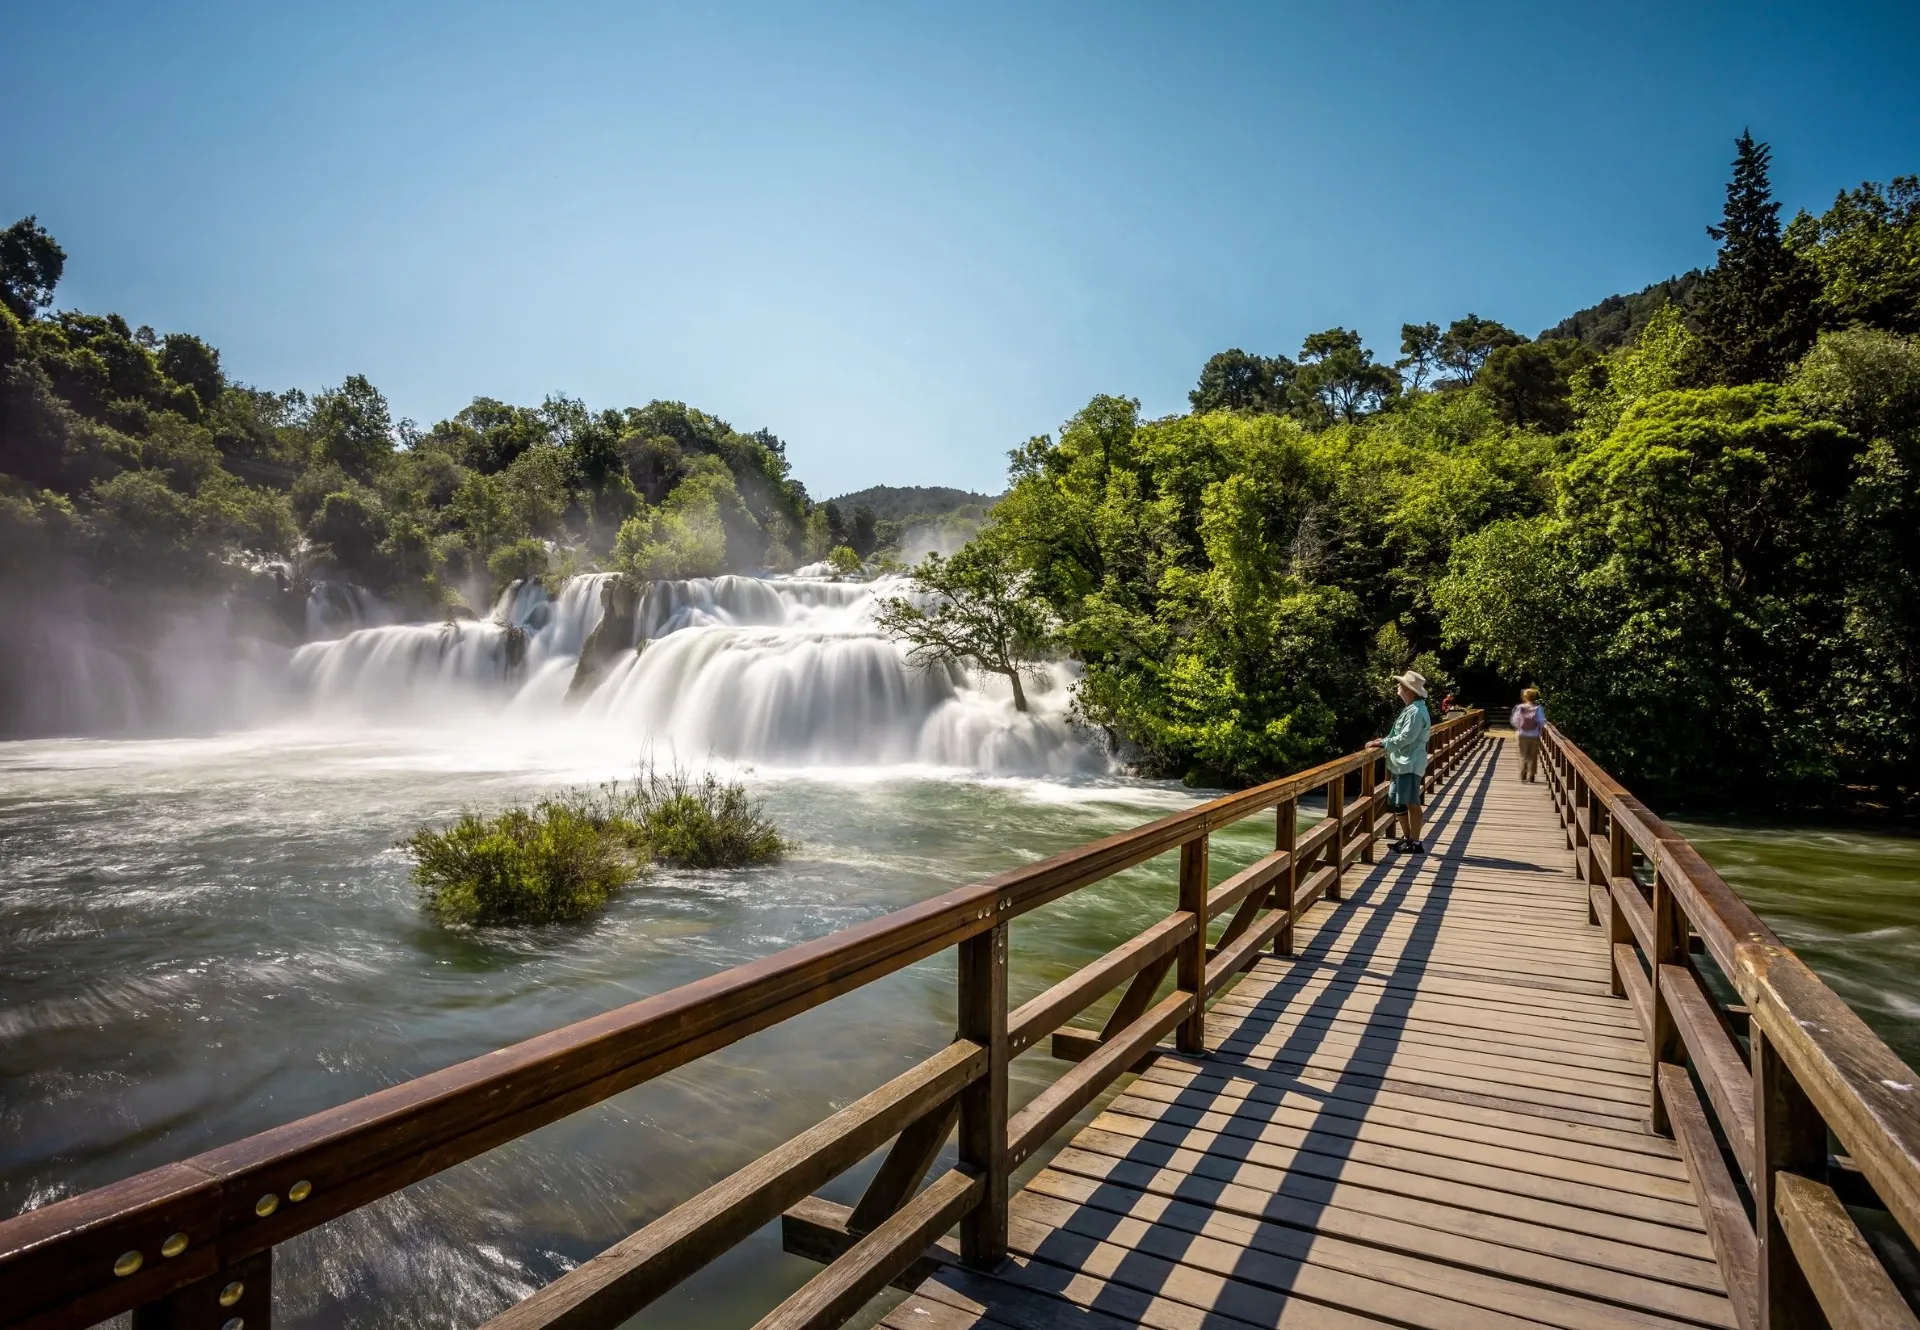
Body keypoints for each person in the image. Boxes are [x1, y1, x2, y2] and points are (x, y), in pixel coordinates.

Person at [1368, 670, 1431, 854]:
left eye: (1400, 685)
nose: (1398, 687)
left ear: (1409, 690)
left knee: (1411, 802)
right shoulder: (1412, 708)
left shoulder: (1416, 711)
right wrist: (1384, 741)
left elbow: (1406, 738)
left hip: (1409, 763)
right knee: (1396, 800)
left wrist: (1382, 743)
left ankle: (1416, 843)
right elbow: (1399, 734)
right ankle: (1408, 838)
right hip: (1402, 763)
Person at [1510, 687, 1546, 782]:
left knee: (1523, 755)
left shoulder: (1520, 707)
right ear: (1534, 697)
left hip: (1522, 734)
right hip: (1534, 735)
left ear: (1525, 697)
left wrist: (1520, 727)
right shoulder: (1538, 708)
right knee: (1533, 756)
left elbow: (1515, 721)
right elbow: (1541, 721)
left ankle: (1523, 772)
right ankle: (1532, 775)